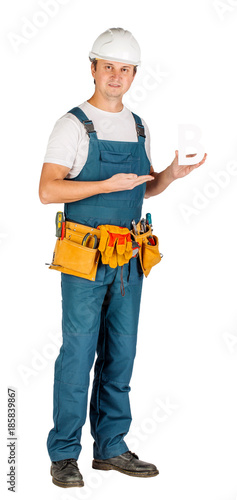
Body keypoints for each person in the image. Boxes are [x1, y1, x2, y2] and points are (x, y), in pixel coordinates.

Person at [39, 27, 207, 489]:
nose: (116, 76)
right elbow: (47, 190)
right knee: (77, 354)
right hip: (83, 258)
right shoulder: (72, 124)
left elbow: (143, 187)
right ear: (92, 68)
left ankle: (111, 447)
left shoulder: (138, 125)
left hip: (129, 259)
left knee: (121, 353)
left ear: (135, 74)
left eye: (125, 69)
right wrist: (101, 184)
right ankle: (64, 455)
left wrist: (170, 175)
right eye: (108, 67)